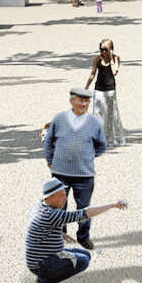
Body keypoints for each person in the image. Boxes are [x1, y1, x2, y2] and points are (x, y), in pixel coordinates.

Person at [25, 178, 127, 283]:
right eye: (61, 196)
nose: (65, 198)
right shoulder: (52, 215)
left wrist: (61, 234)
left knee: (86, 254)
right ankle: (44, 282)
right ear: (50, 198)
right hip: (41, 263)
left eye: (65, 194)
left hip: (40, 257)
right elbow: (85, 213)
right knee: (83, 261)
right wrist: (113, 205)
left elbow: (40, 227)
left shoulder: (40, 206)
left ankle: (46, 274)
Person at [44, 88, 108, 250]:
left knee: (84, 209)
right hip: (60, 174)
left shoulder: (94, 122)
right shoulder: (59, 118)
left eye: (87, 101)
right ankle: (59, 236)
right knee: (58, 207)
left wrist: (87, 157)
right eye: (81, 100)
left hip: (84, 175)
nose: (84, 104)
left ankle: (83, 237)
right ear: (72, 101)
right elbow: (48, 141)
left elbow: (102, 145)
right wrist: (50, 160)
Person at [85, 39, 125, 146]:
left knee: (111, 115)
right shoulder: (97, 59)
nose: (103, 52)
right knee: (97, 115)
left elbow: (115, 71)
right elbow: (93, 73)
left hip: (110, 90)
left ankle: (113, 140)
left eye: (105, 49)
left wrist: (111, 59)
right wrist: (87, 86)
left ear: (110, 49)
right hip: (99, 90)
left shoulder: (116, 58)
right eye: (101, 49)